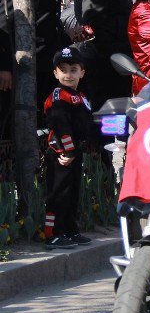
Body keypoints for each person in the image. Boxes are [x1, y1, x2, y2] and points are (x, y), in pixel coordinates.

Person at [42, 47, 93, 250]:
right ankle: (52, 234)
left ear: (82, 72)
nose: (68, 74)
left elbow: (85, 125)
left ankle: (70, 230)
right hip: (61, 154)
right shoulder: (58, 96)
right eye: (63, 70)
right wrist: (68, 151)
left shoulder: (80, 96)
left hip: (75, 153)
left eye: (73, 69)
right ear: (55, 73)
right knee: (57, 194)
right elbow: (60, 125)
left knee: (72, 193)